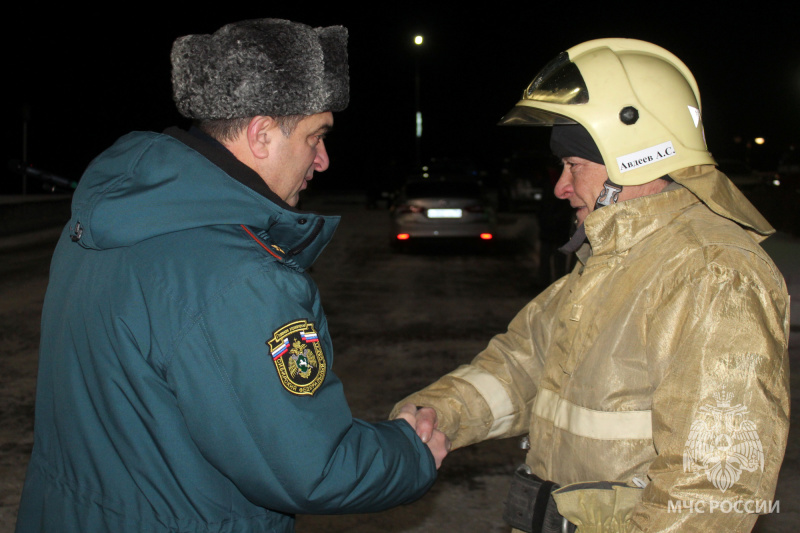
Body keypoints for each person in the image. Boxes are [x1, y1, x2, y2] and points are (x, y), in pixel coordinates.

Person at [15, 18, 448, 533]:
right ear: (261, 134)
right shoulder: (241, 277)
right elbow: (312, 466)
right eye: (316, 137)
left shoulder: (103, 222)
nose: (324, 160)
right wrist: (410, 451)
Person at [392, 38, 789, 532]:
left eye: (574, 165)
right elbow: (523, 365)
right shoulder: (613, 259)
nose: (561, 186)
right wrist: (436, 414)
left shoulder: (712, 272)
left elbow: (710, 489)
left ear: (635, 159)